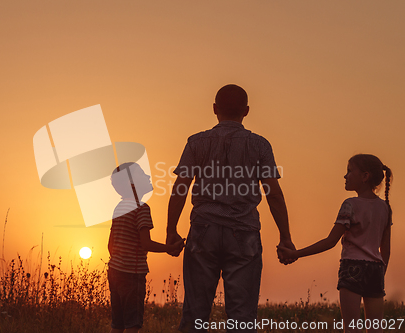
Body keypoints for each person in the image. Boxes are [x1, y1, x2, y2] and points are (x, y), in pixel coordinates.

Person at [166, 84, 296, 332]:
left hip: (203, 231)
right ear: (246, 111)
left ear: (215, 109)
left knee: (195, 313)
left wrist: (171, 231)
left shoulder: (196, 143)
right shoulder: (260, 145)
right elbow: (274, 194)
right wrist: (285, 237)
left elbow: (180, 188)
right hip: (244, 232)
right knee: (242, 317)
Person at [278, 154, 392, 333]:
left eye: (349, 171)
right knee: (376, 330)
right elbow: (386, 249)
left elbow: (330, 241)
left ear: (365, 176)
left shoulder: (350, 205)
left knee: (351, 329)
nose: (345, 176)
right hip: (376, 270)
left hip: (352, 268)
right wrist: (380, 274)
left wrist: (296, 253)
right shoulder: (385, 208)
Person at [108, 162, 185, 333]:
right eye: (143, 174)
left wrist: (119, 263)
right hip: (132, 275)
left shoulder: (119, 208)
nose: (148, 176)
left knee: (117, 324)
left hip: (114, 272)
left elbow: (110, 245)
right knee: (132, 325)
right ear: (133, 184)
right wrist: (169, 247)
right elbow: (146, 243)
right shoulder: (141, 209)